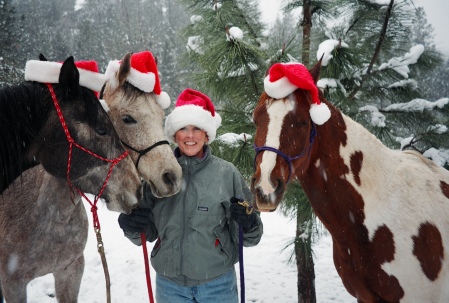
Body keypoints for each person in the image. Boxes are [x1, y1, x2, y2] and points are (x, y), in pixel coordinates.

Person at [118, 88, 263, 303]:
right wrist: (131, 224)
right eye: (183, 128)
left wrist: (249, 223)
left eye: (197, 128)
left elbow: (250, 237)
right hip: (170, 286)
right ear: (174, 133)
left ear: (207, 134)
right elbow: (145, 232)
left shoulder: (226, 173)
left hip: (217, 284)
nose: (190, 135)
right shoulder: (159, 173)